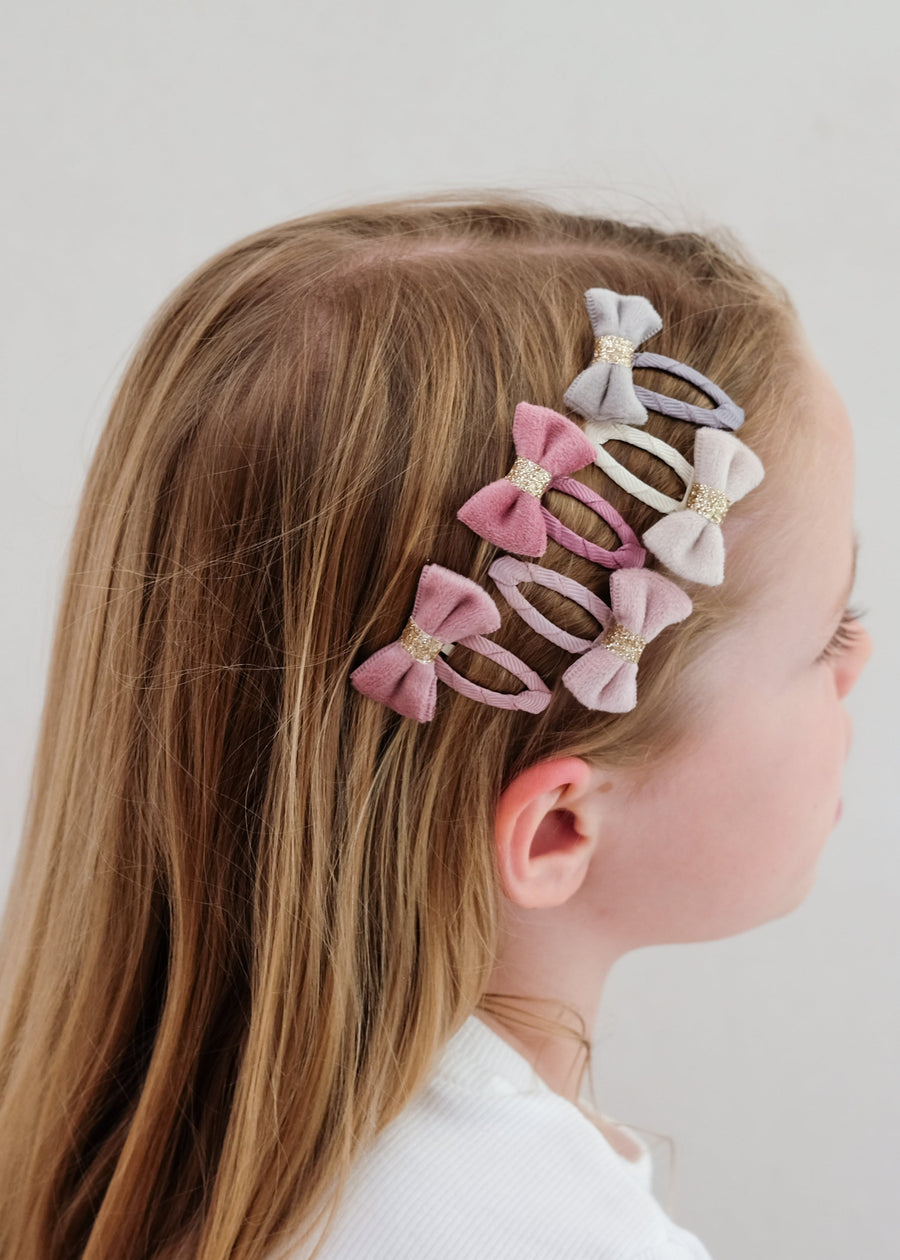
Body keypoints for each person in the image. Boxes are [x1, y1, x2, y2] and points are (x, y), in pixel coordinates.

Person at [0, 191, 871, 1260]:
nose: (862, 663)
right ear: (557, 830)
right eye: (832, 632)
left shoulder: (95, 1138)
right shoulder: (549, 1238)